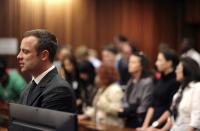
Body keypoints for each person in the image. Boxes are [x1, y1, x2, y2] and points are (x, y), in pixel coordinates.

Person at [16, 29, 76, 113]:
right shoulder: (29, 86)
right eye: (20, 51)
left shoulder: (59, 90)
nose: (19, 56)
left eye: (25, 52)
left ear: (44, 55)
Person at [145, 57, 200, 131]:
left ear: (187, 70)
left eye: (178, 68)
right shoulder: (182, 88)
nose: (176, 71)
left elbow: (196, 118)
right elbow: (173, 115)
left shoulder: (197, 87)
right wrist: (160, 130)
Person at [137, 46, 180, 131]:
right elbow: (152, 104)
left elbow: (170, 109)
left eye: (160, 60)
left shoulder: (175, 81)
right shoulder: (159, 78)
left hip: (163, 125)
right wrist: (145, 125)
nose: (156, 63)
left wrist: (154, 125)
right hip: (153, 122)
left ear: (169, 63)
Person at [118, 51, 154, 128]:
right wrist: (123, 108)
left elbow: (144, 105)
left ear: (141, 65)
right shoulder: (131, 80)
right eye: (129, 62)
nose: (129, 65)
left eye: (133, 62)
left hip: (139, 120)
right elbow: (124, 99)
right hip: (128, 118)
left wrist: (129, 110)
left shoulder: (147, 82)